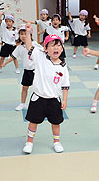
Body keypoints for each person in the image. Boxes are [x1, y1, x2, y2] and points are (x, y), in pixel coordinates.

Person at [22, 23, 70, 154]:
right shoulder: (40, 57)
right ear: (46, 48)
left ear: (62, 49)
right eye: (52, 45)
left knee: (56, 123)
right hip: (38, 98)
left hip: (54, 99)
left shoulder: (63, 66)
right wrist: (27, 32)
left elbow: (65, 85)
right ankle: (29, 142)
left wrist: (64, 100)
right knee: (33, 121)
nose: (56, 48)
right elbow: (29, 46)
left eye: (58, 45)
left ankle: (57, 142)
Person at [2, 25, 37, 111]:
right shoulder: (19, 47)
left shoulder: (35, 45)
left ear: (30, 35)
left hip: (37, 71)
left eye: (26, 34)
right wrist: (5, 62)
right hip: (27, 71)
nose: (24, 36)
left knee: (38, 89)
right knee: (24, 88)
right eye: (21, 34)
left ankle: (39, 105)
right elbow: (13, 56)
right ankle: (22, 103)